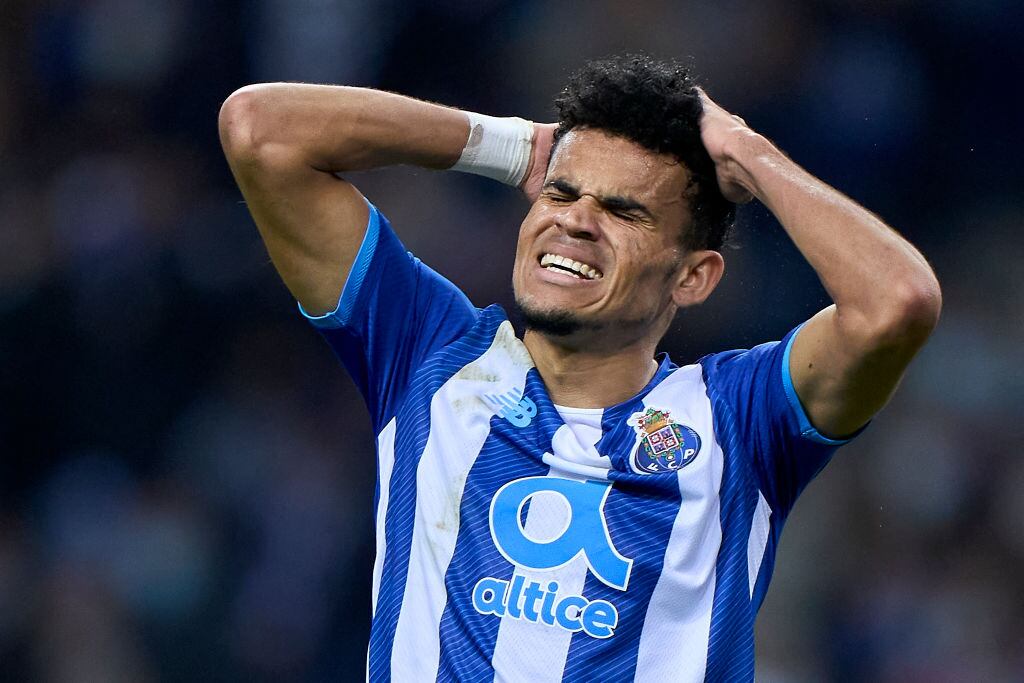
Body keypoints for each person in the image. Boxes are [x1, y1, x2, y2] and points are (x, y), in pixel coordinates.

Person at [218, 54, 941, 682]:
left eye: (623, 212)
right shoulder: (429, 355)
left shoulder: (740, 421)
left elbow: (896, 303)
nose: (576, 219)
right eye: (562, 194)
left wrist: (749, 153)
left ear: (694, 277)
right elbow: (261, 130)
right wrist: (511, 147)